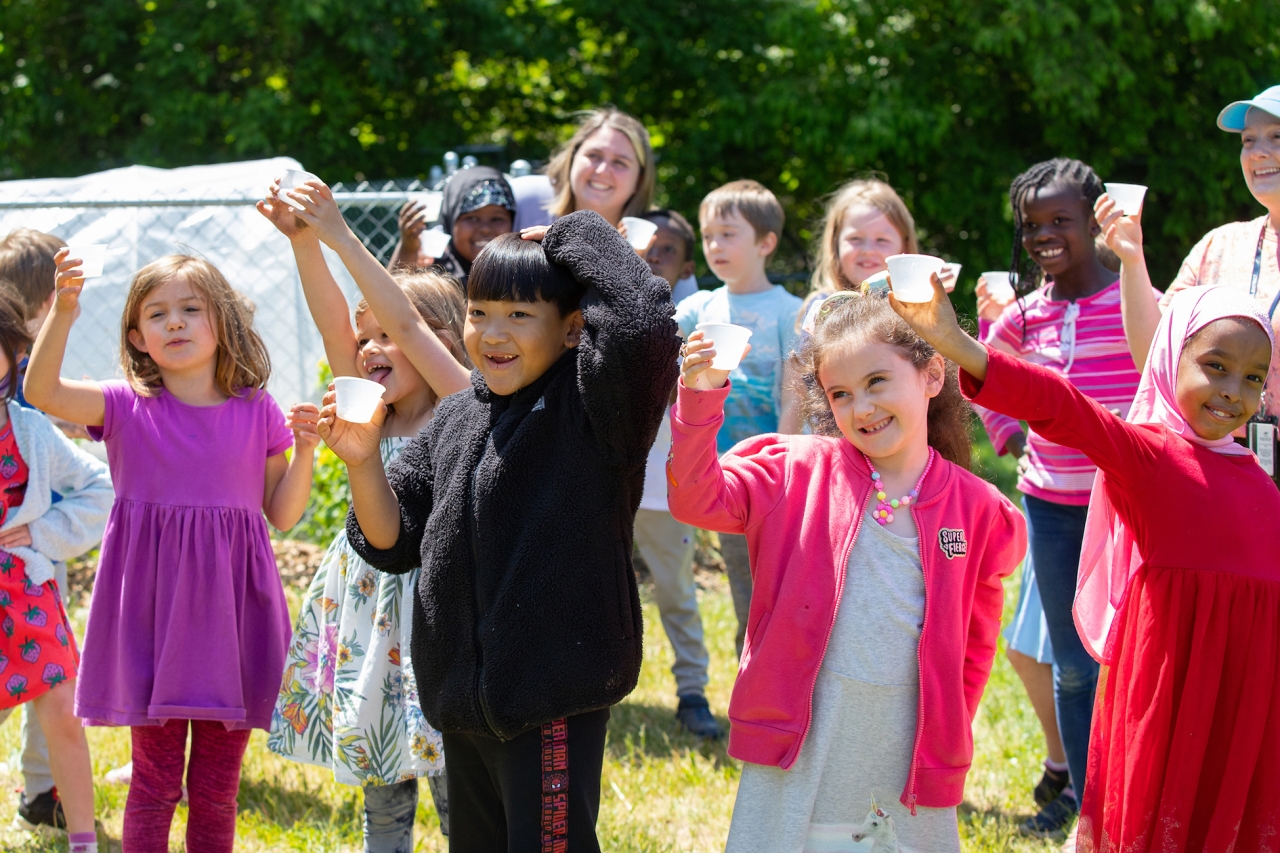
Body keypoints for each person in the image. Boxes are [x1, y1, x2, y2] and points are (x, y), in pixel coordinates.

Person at [313, 211, 678, 852]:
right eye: (479, 312)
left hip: (549, 698)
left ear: (571, 330)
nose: (492, 333)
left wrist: (576, 234)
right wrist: (364, 460)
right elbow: (391, 543)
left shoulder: (595, 413)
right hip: (462, 701)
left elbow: (645, 328)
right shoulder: (457, 416)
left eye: (518, 315)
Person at [892, 273, 1280, 853]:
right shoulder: (1150, 456)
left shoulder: (1263, 481)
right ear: (1171, 359)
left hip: (1249, 698)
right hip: (1172, 696)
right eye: (1215, 366)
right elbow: (1061, 406)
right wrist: (961, 346)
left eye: (1253, 378)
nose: (1232, 390)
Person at [669, 292, 1024, 850]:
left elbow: (975, 641)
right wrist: (701, 395)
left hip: (906, 741)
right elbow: (697, 499)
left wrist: (949, 724)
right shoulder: (795, 471)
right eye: (841, 394)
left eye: (878, 382)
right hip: (805, 734)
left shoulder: (978, 509)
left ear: (931, 375)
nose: (861, 408)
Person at [23, 251, 320, 852]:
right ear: (137, 336)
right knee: (153, 786)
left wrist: (309, 448)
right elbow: (43, 391)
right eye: (158, 314)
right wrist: (66, 309)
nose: (176, 322)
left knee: (216, 791)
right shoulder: (124, 405)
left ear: (225, 323)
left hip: (230, 625)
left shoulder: (257, 410)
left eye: (191, 309)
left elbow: (283, 514)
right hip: (151, 624)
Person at [258, 183, 473, 850]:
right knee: (382, 772)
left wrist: (339, 234)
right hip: (370, 616)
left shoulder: (458, 406)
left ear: (438, 343)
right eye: (367, 336)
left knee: (455, 783)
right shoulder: (367, 416)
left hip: (438, 614)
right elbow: (332, 324)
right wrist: (302, 241)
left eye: (389, 334)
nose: (372, 347)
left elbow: (408, 327)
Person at [972, 158, 1148, 837]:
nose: (1045, 234)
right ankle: (1090, 805)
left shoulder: (1127, 297)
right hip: (1050, 509)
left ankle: (1136, 792)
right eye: (1032, 225)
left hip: (1127, 507)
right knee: (1073, 669)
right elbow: (984, 370)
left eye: (1060, 221)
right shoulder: (1026, 313)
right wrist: (1009, 436)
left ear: (1094, 221)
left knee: (1126, 660)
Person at [1094, 86, 1280, 468]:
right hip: (1221, 463)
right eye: (1248, 140)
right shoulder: (1220, 245)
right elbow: (1154, 355)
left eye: (1277, 136)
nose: (1258, 151)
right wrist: (1132, 258)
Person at [0, 282, 111, 853]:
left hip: (24, 592)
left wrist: (44, 532)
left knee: (63, 713)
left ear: (12, 355)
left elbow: (100, 487)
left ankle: (84, 842)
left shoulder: (29, 431)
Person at [674, 179, 802, 659]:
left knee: (786, 583)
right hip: (724, 480)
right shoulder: (700, 308)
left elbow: (797, 393)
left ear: (766, 243)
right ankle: (752, 668)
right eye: (708, 235)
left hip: (777, 477)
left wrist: (780, 464)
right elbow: (657, 338)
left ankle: (782, 666)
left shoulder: (790, 312)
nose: (714, 246)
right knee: (744, 586)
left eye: (728, 234)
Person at [629, 208, 718, 739]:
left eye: (666, 252)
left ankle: (692, 691)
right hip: (610, 480)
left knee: (676, 591)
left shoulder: (695, 323)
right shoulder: (603, 307)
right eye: (646, 247)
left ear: (685, 267)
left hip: (665, 489)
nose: (653, 258)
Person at [780, 178, 924, 433]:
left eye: (882, 240)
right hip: (836, 446)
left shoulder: (912, 308)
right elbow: (799, 392)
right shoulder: (821, 309)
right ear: (835, 243)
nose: (868, 250)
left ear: (903, 246)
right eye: (856, 239)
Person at [386, 166, 516, 288]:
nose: (485, 229)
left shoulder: (520, 275)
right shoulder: (432, 275)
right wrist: (408, 250)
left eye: (497, 219)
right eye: (473, 218)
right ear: (450, 221)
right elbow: (385, 305)